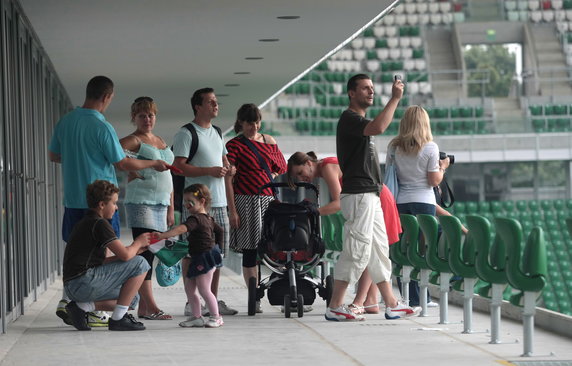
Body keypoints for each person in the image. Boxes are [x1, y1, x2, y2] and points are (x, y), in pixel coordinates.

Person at [48, 76, 168, 326]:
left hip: (72, 201)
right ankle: (89, 308)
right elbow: (121, 163)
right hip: (100, 203)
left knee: (76, 253)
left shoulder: (65, 122)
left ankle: (71, 300)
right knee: (100, 256)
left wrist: (77, 158)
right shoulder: (102, 127)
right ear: (107, 97)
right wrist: (153, 163)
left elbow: (54, 156)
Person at [325, 73, 419, 321]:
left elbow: (375, 126)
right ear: (351, 93)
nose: (371, 92)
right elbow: (379, 126)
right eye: (365, 88)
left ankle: (391, 303)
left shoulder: (360, 121)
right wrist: (395, 99)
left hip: (371, 193)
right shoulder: (349, 118)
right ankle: (335, 305)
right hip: (358, 194)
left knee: (379, 249)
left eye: (372, 88)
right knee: (356, 250)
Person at [287, 151, 401, 314]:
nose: (301, 178)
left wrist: (313, 212)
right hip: (374, 195)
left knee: (369, 249)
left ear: (308, 164)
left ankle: (362, 301)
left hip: (374, 198)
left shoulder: (327, 167)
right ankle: (370, 300)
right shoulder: (325, 169)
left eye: (300, 173)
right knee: (373, 249)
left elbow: (338, 203)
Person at [172, 87, 237, 316]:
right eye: (210, 102)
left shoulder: (218, 132)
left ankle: (213, 301)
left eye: (216, 101)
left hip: (218, 203)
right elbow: (179, 166)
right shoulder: (186, 133)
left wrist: (229, 170)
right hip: (197, 205)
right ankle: (193, 302)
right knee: (192, 252)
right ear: (198, 106)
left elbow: (224, 162)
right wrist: (209, 170)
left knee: (216, 254)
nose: (215, 105)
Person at [63, 180, 151, 331]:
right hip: (82, 283)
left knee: (131, 298)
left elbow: (100, 261)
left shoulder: (87, 221)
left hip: (74, 286)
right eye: (114, 203)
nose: (116, 208)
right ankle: (118, 319)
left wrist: (133, 250)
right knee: (141, 263)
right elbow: (125, 255)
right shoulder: (99, 224)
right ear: (102, 204)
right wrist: (138, 242)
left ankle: (81, 307)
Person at [224, 104, 287, 313]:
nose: (254, 126)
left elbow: (281, 167)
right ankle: (254, 295)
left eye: (257, 122)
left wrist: (268, 179)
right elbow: (229, 179)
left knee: (275, 246)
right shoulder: (234, 145)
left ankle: (283, 290)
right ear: (241, 123)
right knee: (250, 250)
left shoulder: (269, 141)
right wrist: (232, 210)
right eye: (250, 122)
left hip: (268, 200)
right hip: (245, 200)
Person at [387, 105, 450, 307]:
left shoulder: (394, 147)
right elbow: (433, 181)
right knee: (422, 253)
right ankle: (423, 298)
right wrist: (443, 167)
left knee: (405, 251)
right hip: (424, 203)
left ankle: (411, 297)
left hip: (401, 203)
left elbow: (390, 174)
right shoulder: (430, 147)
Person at [120, 96, 174, 320]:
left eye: (150, 114)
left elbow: (169, 174)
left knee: (153, 252)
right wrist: (131, 171)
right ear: (134, 118)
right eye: (142, 115)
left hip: (161, 204)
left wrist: (171, 208)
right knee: (145, 255)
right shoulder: (135, 140)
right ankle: (150, 305)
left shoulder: (160, 140)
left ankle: (143, 306)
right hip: (142, 202)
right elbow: (115, 154)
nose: (147, 119)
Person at [154, 184, 224, 328]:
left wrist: (162, 235)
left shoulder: (196, 219)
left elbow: (181, 229)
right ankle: (196, 317)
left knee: (204, 289)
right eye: (185, 201)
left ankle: (216, 317)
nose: (186, 204)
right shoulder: (208, 219)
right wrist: (218, 248)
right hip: (198, 257)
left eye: (189, 201)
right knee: (190, 288)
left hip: (204, 258)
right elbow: (220, 231)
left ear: (202, 201)